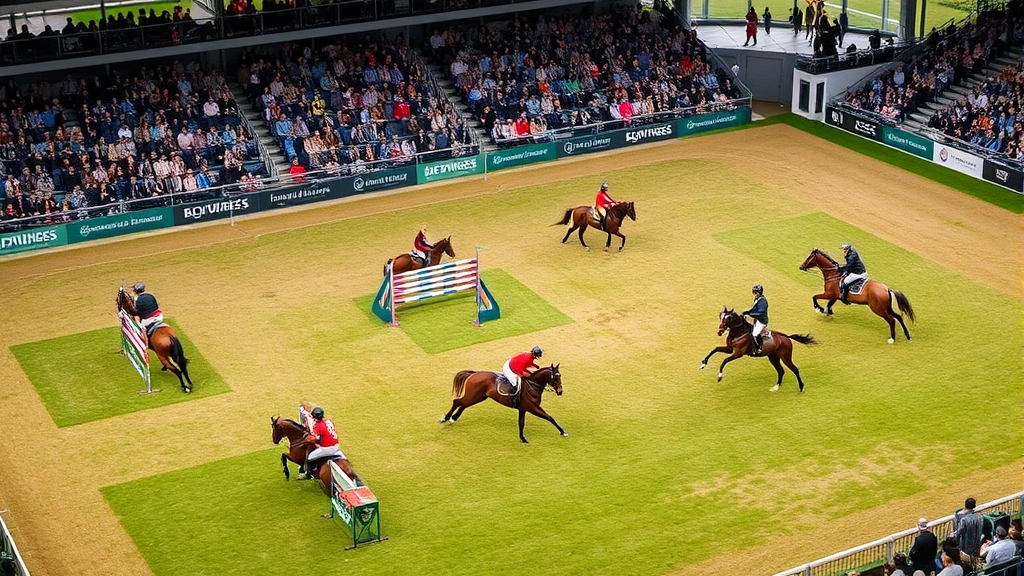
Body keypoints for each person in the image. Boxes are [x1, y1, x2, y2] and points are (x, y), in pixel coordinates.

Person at [303, 406, 342, 479]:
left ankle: (311, 473)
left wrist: (307, 439)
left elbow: (313, 438)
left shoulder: (318, 426)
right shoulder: (328, 421)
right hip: (336, 445)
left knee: (310, 457)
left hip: (327, 448)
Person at [743, 284, 769, 354]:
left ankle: (758, 348)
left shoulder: (763, 302)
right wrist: (747, 312)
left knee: (754, 334)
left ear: (759, 293)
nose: (754, 294)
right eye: (754, 292)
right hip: (756, 319)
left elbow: (760, 313)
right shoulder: (757, 299)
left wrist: (750, 314)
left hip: (761, 321)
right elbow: (753, 310)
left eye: (755, 293)